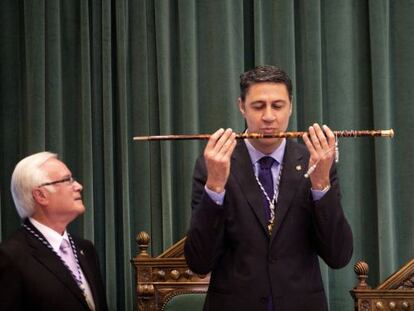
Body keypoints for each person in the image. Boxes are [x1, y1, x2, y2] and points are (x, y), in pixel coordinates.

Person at [184, 65, 353, 311]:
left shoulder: (315, 162)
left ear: (290, 105)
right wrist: (215, 186)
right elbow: (199, 262)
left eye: (278, 105)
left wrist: (321, 183)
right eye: (258, 106)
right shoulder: (213, 165)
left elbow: (339, 256)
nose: (269, 117)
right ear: (241, 106)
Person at [0, 152, 108, 311]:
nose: (79, 186)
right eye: (67, 180)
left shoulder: (86, 249)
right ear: (41, 195)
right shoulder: (11, 256)